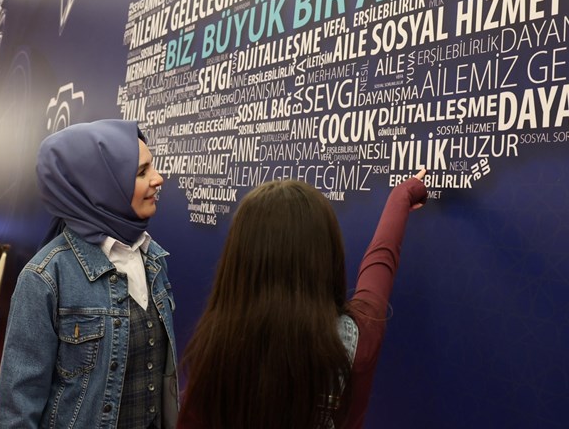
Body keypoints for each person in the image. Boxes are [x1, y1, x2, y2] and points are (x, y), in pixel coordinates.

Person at [178, 170, 428, 429]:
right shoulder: (359, 338)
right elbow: (380, 262)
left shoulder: (215, 350)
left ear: (238, 263)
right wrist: (402, 195)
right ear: (327, 255)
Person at [0, 119, 176, 428]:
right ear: (102, 185)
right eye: (142, 172)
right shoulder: (46, 277)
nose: (158, 178)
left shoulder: (154, 260)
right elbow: (18, 403)